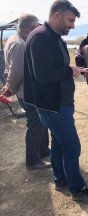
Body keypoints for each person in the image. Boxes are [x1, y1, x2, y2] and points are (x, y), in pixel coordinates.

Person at [23, 0, 88, 204]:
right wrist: (70, 70)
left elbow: (54, 67)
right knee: (72, 146)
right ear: (57, 14)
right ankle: (78, 189)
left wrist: (72, 70)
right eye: (70, 20)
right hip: (52, 105)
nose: (73, 25)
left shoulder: (53, 37)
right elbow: (43, 74)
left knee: (59, 143)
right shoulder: (41, 37)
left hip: (59, 103)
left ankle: (61, 180)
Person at [0, 14, 51, 170]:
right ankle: (32, 160)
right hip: (26, 91)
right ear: (32, 28)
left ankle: (42, 150)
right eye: (37, 27)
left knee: (41, 121)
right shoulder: (20, 44)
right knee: (35, 124)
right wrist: (10, 88)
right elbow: (17, 71)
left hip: (27, 90)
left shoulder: (16, 39)